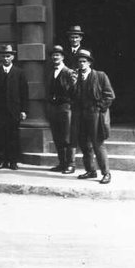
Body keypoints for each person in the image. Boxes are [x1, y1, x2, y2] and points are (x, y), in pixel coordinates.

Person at [71, 49, 114, 184]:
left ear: (89, 63)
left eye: (84, 61)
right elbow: (71, 97)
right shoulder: (75, 77)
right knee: (84, 144)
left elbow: (109, 95)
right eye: (79, 62)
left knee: (98, 144)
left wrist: (100, 108)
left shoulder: (100, 76)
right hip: (80, 115)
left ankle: (106, 173)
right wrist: (71, 84)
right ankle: (91, 170)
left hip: (95, 115)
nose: (81, 64)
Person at [0, 45, 29, 170]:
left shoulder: (19, 73)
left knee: (13, 136)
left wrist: (23, 110)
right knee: (0, 136)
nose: (6, 59)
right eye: (4, 56)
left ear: (12, 57)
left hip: (14, 110)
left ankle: (13, 161)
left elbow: (24, 93)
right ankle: (2, 160)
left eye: (8, 56)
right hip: (0, 110)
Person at [46, 45, 76, 174]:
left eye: (57, 55)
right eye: (53, 55)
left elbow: (74, 92)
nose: (55, 57)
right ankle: (62, 163)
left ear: (62, 57)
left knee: (67, 137)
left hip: (66, 108)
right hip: (54, 108)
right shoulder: (51, 72)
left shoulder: (69, 72)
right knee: (57, 136)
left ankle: (71, 164)